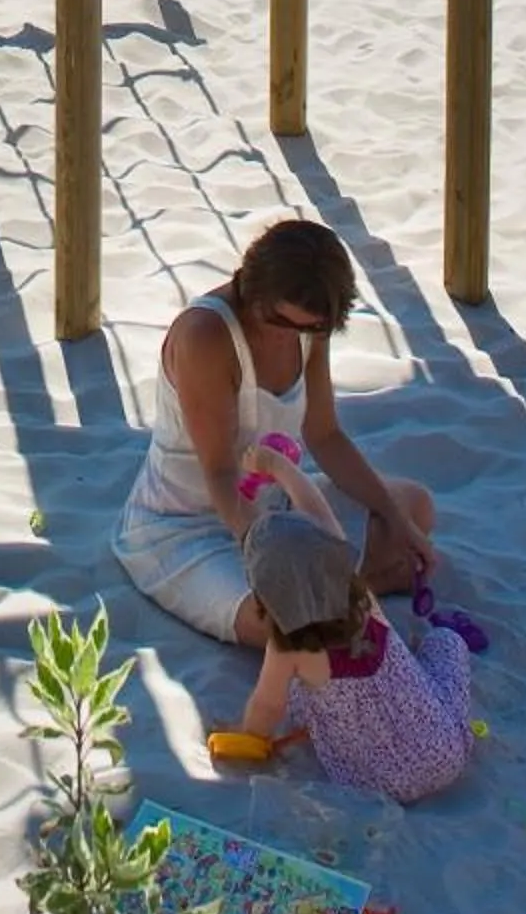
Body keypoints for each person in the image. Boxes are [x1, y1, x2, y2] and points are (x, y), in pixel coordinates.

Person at [113, 217, 437, 647]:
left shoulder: (309, 326)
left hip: (278, 506)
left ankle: (341, 595)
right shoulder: (206, 337)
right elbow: (220, 473)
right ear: (255, 291)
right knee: (284, 623)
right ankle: (343, 596)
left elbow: (325, 436)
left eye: (308, 328)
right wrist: (275, 558)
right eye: (279, 322)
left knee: (414, 507)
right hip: (187, 525)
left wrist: (397, 522)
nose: (290, 336)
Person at [232, 445, 473, 802]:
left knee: (299, 693)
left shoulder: (287, 647)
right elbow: (317, 510)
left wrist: (248, 739)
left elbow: (267, 708)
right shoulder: (354, 587)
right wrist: (276, 465)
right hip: (444, 755)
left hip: (373, 785)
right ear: (330, 556)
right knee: (446, 641)